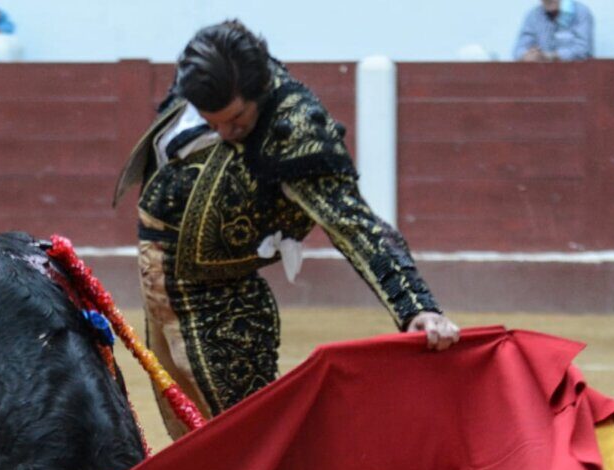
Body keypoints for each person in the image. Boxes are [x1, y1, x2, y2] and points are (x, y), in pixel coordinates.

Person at [114, 21, 460, 439]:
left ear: (259, 90)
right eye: (212, 121)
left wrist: (416, 306)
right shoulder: (207, 71)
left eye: (236, 120)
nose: (224, 133)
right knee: (197, 434)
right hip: (167, 279)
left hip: (215, 296)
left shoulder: (294, 130)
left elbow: (354, 224)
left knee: (240, 443)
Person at [513, 0, 595, 61]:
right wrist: (527, 56)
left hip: (576, 75)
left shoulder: (581, 12)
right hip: (541, 76)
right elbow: (518, 50)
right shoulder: (533, 15)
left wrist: (552, 56)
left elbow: (584, 50)